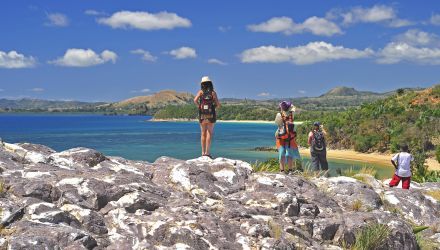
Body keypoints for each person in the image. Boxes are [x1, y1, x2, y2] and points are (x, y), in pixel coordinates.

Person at [193, 76, 220, 158]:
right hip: (211, 115)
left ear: (202, 84)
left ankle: (202, 152)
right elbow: (218, 104)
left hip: (202, 115)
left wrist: (199, 106)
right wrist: (214, 107)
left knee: (202, 133)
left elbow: (195, 100)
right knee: (209, 133)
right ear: (210, 83)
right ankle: (207, 153)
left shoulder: (200, 92)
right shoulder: (213, 92)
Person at [275, 101, 301, 173]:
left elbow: (277, 123)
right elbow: (296, 109)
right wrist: (291, 107)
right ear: (289, 107)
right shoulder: (292, 114)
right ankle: (290, 170)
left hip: (280, 136)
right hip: (290, 136)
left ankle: (282, 170)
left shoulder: (279, 114)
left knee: (281, 153)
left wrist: (281, 111)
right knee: (290, 154)